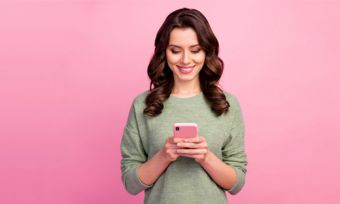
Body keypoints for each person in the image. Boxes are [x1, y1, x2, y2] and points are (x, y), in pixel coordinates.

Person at [120, 8, 247, 204]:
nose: (186, 60)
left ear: (206, 51)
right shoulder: (143, 105)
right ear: (164, 52)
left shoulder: (227, 105)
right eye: (175, 51)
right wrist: (164, 156)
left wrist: (205, 157)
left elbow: (236, 184)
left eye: (195, 50)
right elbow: (131, 183)